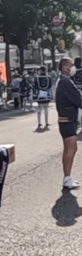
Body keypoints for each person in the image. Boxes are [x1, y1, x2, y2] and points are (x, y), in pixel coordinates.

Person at [54, 57, 82, 189]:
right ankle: (67, 178)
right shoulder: (65, 82)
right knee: (71, 149)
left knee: (69, 149)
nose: (73, 68)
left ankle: (67, 177)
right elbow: (77, 99)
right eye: (71, 65)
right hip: (67, 120)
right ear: (65, 67)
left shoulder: (64, 81)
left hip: (66, 119)